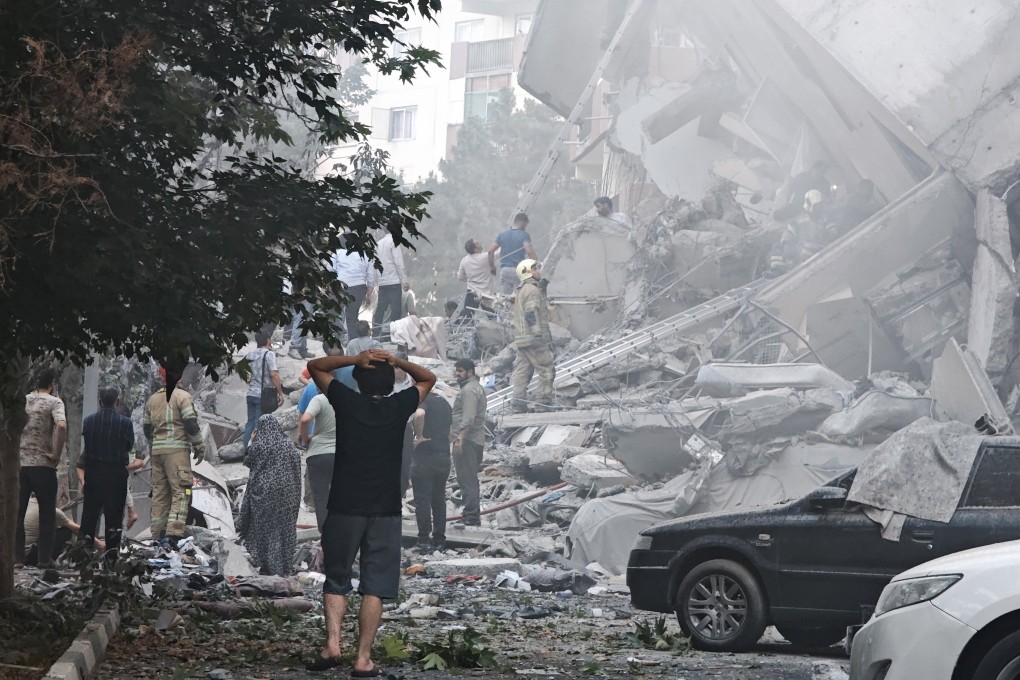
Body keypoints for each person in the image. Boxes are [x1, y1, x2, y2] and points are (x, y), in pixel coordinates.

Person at [305, 350, 436, 674]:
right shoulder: (398, 405)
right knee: (375, 584)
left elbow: (315, 367)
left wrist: (355, 358)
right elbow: (428, 378)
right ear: (392, 383)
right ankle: (363, 659)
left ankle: (333, 645)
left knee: (336, 577)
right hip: (385, 508)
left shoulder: (347, 401)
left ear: (359, 380)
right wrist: (398, 361)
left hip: (345, 504)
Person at [143, 364, 206, 547]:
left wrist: (153, 446)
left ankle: (158, 533)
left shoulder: (152, 400)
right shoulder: (182, 397)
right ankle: (173, 534)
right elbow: (190, 423)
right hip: (177, 452)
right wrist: (200, 445)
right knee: (182, 490)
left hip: (157, 452)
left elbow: (147, 428)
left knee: (160, 493)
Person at [77, 386, 137, 562]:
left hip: (94, 474)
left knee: (89, 517)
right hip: (116, 475)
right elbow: (128, 445)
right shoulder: (125, 423)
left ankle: (83, 558)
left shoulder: (88, 422)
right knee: (114, 518)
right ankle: (111, 559)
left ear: (99, 401)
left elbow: (87, 448)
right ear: (117, 402)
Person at [15, 369, 67, 569]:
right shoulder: (54, 402)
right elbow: (61, 426)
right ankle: (44, 560)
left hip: (21, 465)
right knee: (47, 513)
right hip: (43, 465)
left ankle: (17, 559)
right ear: (51, 384)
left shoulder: (23, 400)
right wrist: (56, 454)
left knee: (18, 513)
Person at [238, 415, 302, 576]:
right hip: (287, 495)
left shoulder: (259, 445)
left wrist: (252, 441)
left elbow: (248, 461)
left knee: (265, 530)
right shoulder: (289, 444)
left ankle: (268, 565)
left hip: (264, 495)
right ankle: (283, 566)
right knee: (284, 529)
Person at [511, 259, 554, 413]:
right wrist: (538, 335)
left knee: (523, 372)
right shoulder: (532, 290)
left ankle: (517, 404)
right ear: (528, 272)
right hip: (533, 338)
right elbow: (531, 313)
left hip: (522, 340)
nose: (538, 271)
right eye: (535, 268)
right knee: (546, 369)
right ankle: (543, 402)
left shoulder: (523, 290)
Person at [411, 392, 453, 551]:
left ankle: (423, 540)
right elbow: (449, 430)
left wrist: (419, 436)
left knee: (422, 499)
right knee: (439, 498)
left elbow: (419, 414)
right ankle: (439, 540)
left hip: (425, 457)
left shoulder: (423, 400)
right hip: (443, 455)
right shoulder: (444, 401)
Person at [450, 358, 487, 527]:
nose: (457, 374)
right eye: (456, 370)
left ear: (470, 372)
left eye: (460, 371)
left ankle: (471, 516)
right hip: (472, 440)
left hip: (468, 441)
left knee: (467, 478)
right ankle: (470, 513)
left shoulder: (470, 391)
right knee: (468, 477)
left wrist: (460, 439)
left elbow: (469, 418)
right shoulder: (472, 388)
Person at [22, 496, 102, 566]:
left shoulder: (24, 504)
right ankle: (48, 560)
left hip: (18, 555)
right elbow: (77, 529)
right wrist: (99, 544)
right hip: (33, 555)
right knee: (66, 531)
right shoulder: (52, 510)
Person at [243, 329, 285, 451]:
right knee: (260, 425)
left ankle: (247, 452)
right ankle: (258, 453)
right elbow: (274, 374)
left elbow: (246, 376)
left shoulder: (250, 354)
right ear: (268, 340)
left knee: (250, 424)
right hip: (263, 395)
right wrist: (280, 393)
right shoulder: (269, 354)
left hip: (250, 394)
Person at [332, 241, 375, 339]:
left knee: (334, 313)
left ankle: (339, 337)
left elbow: (330, 269)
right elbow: (371, 277)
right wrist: (369, 295)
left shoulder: (338, 253)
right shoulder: (364, 255)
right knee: (352, 317)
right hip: (359, 288)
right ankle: (353, 343)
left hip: (341, 286)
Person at [489, 212, 538, 295]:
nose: (525, 227)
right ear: (523, 222)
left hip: (504, 270)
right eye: (525, 225)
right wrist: (534, 266)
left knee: (505, 298)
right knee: (518, 298)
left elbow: (490, 251)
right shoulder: (524, 235)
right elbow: (529, 252)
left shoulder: (502, 234)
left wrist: (492, 266)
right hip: (518, 271)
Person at [370, 232, 407, 339]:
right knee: (396, 310)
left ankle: (376, 334)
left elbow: (374, 264)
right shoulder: (394, 242)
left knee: (380, 309)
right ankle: (394, 336)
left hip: (382, 282)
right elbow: (399, 263)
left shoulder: (378, 244)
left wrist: (376, 282)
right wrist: (404, 280)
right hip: (394, 281)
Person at [457, 239, 495, 316]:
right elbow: (498, 253)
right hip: (485, 294)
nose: (480, 243)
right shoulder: (485, 257)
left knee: (467, 317)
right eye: (477, 243)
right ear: (475, 249)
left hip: (472, 293)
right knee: (493, 316)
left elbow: (460, 277)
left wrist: (470, 279)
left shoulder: (464, 260)